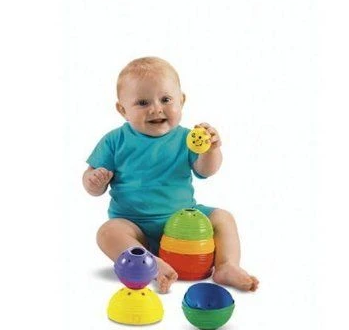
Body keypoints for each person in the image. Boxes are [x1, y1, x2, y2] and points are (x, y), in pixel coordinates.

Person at [83, 57, 259, 293]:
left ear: (181, 101)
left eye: (165, 99)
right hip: (135, 228)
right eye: (142, 102)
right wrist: (94, 181)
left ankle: (227, 265)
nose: (156, 108)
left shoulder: (188, 138)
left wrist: (211, 150)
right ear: (123, 110)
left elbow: (206, 171)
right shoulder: (115, 140)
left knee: (223, 218)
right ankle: (152, 264)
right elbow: (91, 184)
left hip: (186, 222)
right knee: (107, 233)